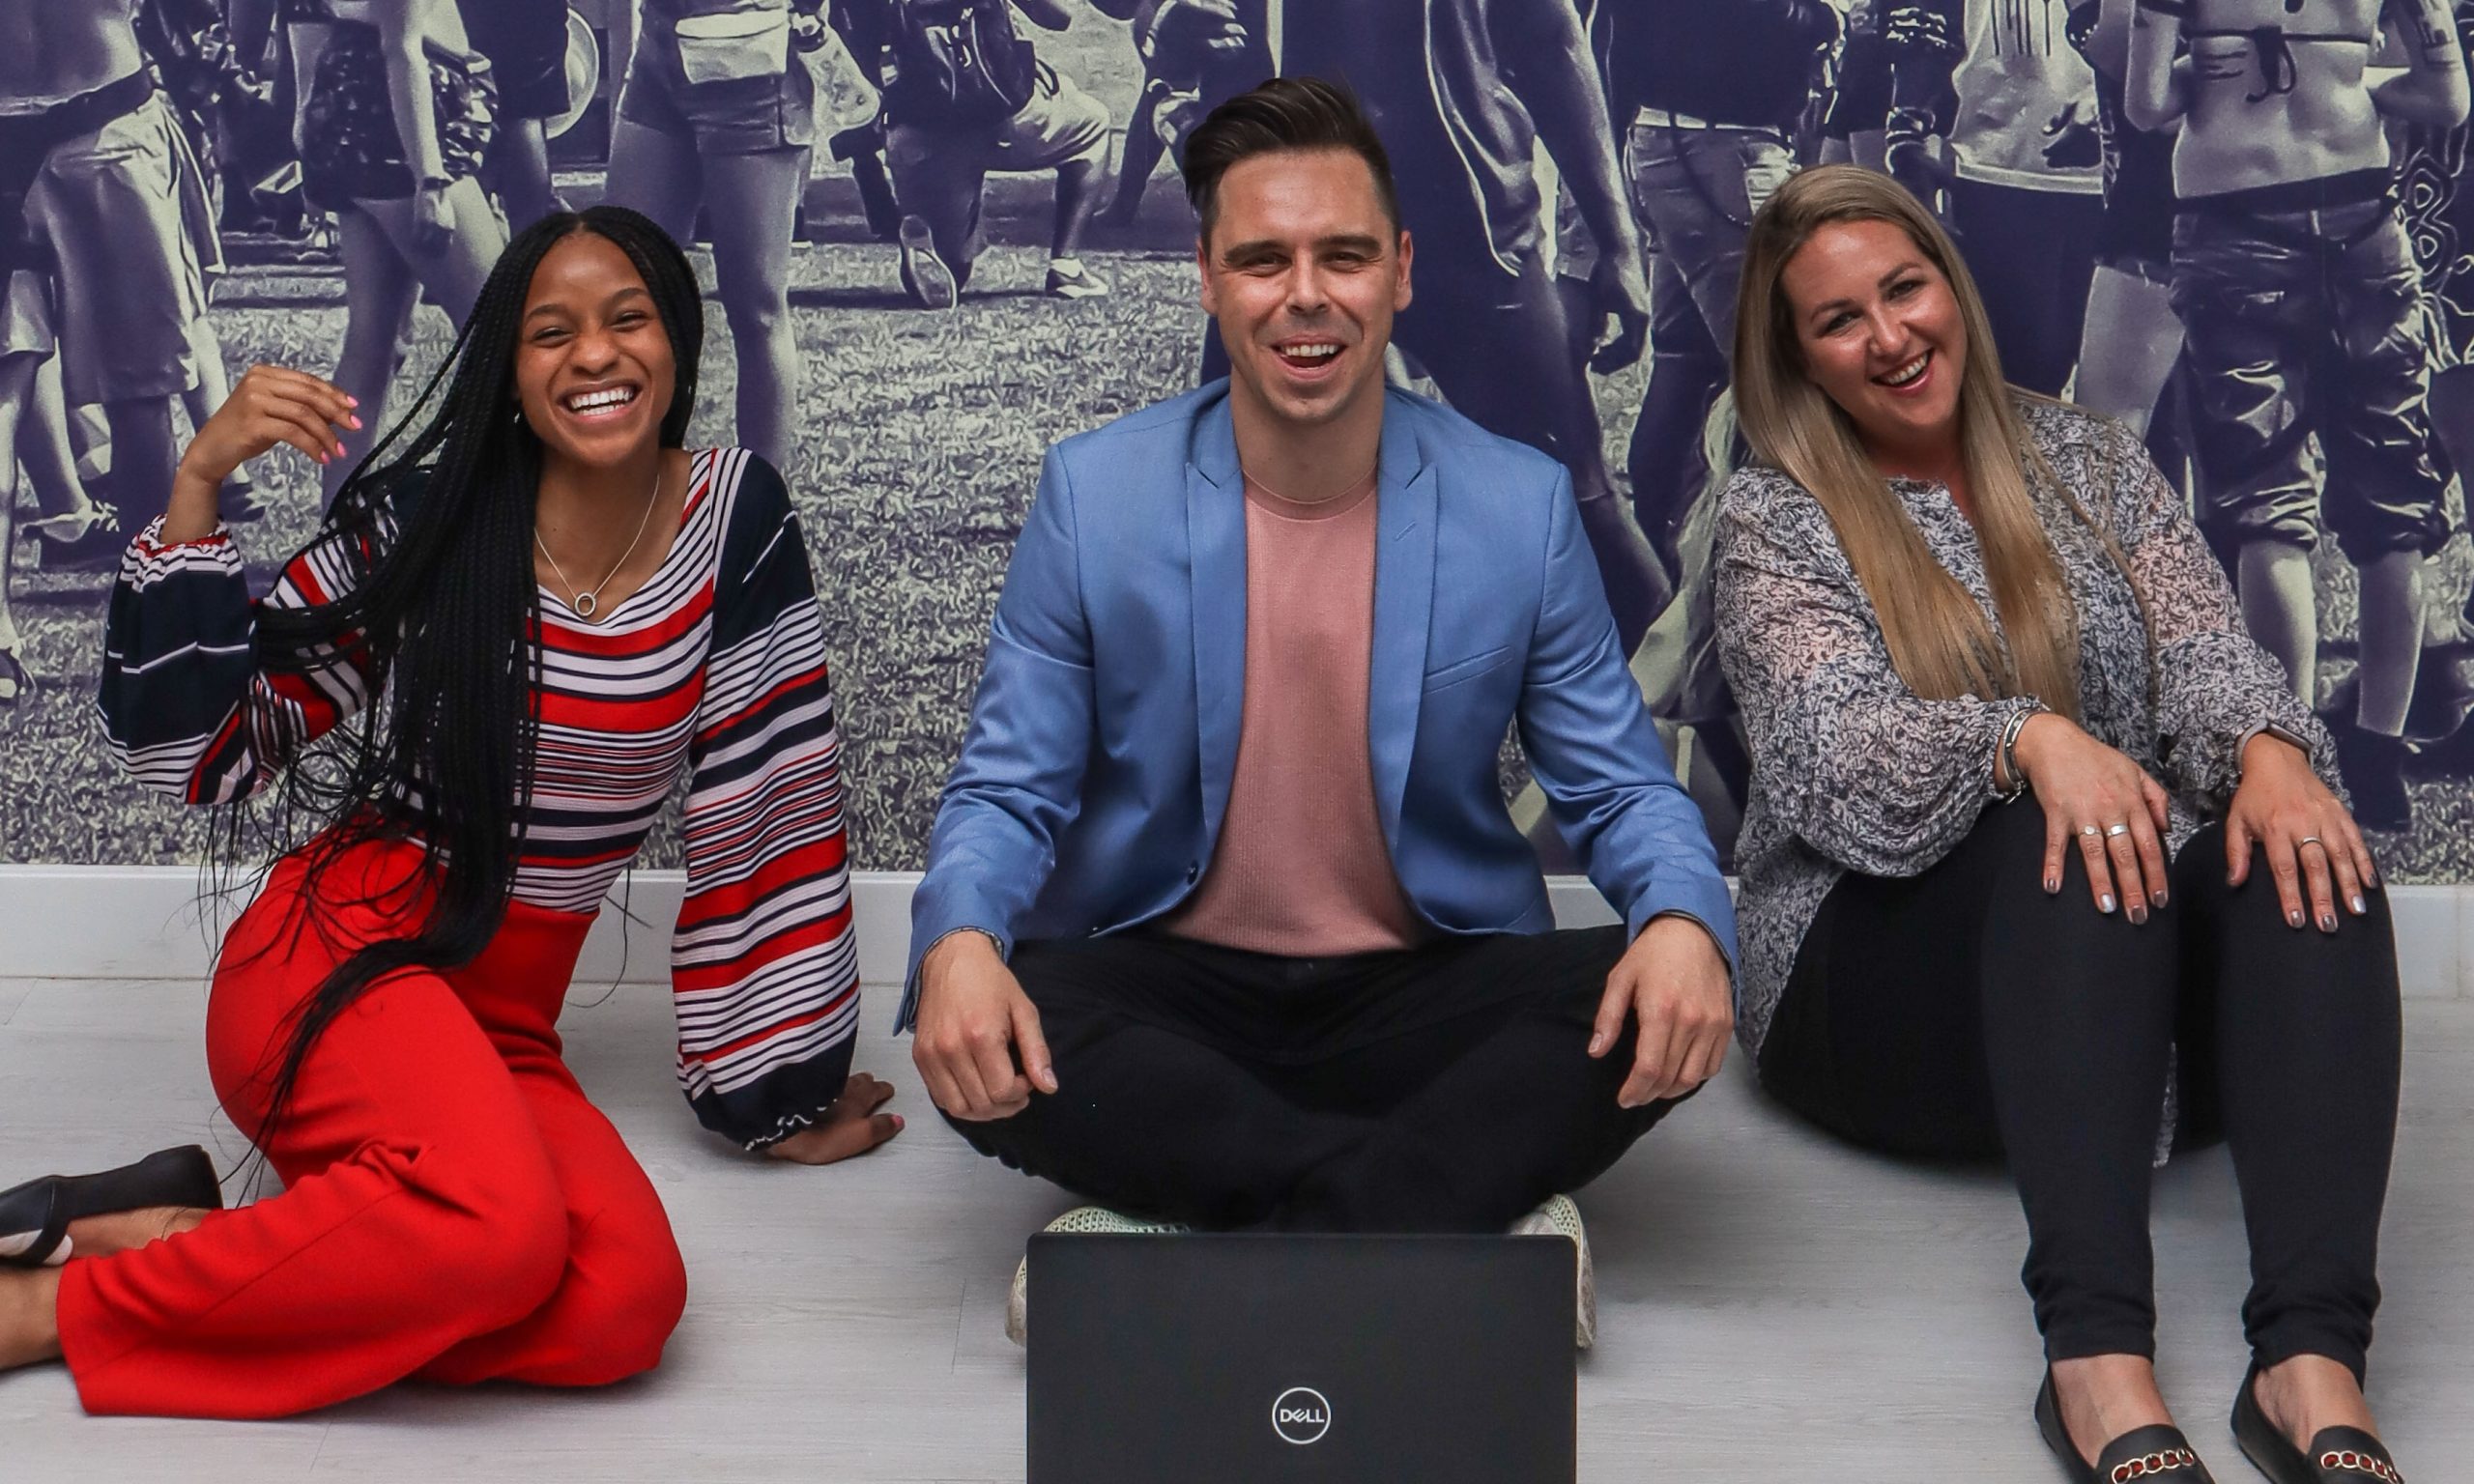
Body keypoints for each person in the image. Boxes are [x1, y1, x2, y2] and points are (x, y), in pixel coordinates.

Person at [0, 207, 900, 1417]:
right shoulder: (435, 519)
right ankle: (44, 1312)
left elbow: (768, 802)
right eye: (551, 332)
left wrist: (775, 1086)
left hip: (503, 1021)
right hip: (335, 963)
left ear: (676, 342)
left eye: (627, 318)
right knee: (503, 1237)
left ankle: (165, 1236)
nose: (594, 354)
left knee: (622, 1307)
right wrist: (198, 482)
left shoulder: (734, 519)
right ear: (509, 371)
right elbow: (205, 754)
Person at [903, 77, 1738, 1349]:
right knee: (1001, 1016)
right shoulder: (1094, 493)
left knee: (1632, 992)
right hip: (1168, 979)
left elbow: (1619, 788)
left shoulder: (1514, 504)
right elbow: (1008, 790)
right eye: (1263, 260)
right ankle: (1457, 1209)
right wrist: (960, 942)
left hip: (1422, 983)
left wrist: (1679, 919)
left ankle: (1184, 1227)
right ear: (1207, 279)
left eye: (1343, 256)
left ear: (1400, 272)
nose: (1306, 295)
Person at [1714, 164, 2408, 1484]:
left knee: (2310, 850)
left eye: (1905, 288)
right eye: (1839, 319)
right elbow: (1825, 755)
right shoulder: (1775, 515)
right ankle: (2093, 1364)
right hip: (1875, 998)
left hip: (2113, 972)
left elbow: (2203, 652)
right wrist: (2025, 740)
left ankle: (2308, 1362)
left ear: (1951, 286)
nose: (1890, 334)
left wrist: (2268, 752)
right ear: (1797, 358)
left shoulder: (2087, 457)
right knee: (2073, 846)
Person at [2128, 0, 2469, 831]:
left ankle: (2290, 756)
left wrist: (2214, 66)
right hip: (2363, 214)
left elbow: (2145, 104)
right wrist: (2351, 80)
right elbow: (2448, 98)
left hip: (2234, 219)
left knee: (2267, 507)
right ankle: (2379, 755)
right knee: (2394, 505)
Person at [1284, 0, 1673, 651]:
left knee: (1574, 498)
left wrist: (1618, 239)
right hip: (1289, 233)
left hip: (1471, 230)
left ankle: (1694, 708)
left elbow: (1550, 39)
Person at [2, 0, 220, 538]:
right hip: (107, 125)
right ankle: (151, 585)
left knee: (5, 395)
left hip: (60, 123)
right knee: (138, 393)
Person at [283, 0, 507, 507]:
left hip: (349, 111)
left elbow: (305, 20)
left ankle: (336, 523)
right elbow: (402, 49)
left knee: (374, 342)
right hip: (400, 126)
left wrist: (308, 138)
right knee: (504, 333)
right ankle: (483, 513)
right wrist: (431, 182)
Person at [604, 0, 812, 469]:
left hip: (751, 55)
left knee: (755, 307)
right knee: (620, 283)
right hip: (659, 44)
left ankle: (761, 499)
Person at [1887, 0, 2110, 398]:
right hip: (1998, 174)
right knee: (2015, 380)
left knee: (2129, 402)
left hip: (2133, 183)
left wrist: (2108, 102)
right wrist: (1906, 136)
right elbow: (1926, 29)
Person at [877, 0, 1116, 305]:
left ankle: (923, 228)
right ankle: (1065, 267)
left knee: (952, 271)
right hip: (1006, 118)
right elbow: (1059, 17)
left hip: (921, 134)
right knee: (1092, 124)